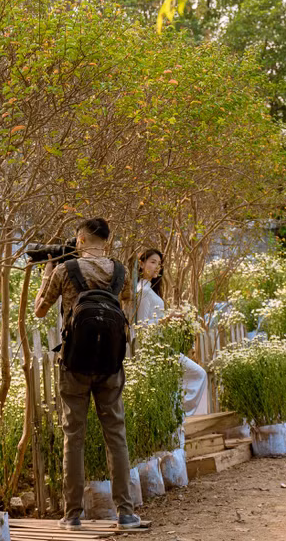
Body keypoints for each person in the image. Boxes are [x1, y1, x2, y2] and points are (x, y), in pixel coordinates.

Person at [34, 217, 142, 530]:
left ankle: (72, 515)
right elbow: (125, 305)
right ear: (107, 241)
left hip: (74, 364)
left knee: (74, 438)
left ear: (80, 240)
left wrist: (46, 275)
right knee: (116, 436)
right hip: (110, 363)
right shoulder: (119, 271)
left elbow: (40, 310)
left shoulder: (64, 270)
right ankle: (126, 512)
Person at [135, 249, 207, 415]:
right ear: (141, 264)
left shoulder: (148, 289)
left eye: (159, 264)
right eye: (152, 262)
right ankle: (178, 412)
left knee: (182, 382)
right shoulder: (143, 292)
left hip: (162, 346)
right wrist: (168, 318)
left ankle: (174, 413)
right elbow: (141, 326)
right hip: (155, 349)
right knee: (198, 373)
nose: (156, 267)